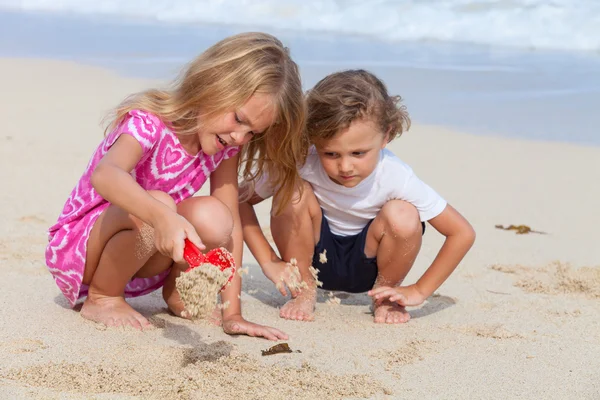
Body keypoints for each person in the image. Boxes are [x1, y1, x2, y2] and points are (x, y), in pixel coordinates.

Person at [45, 32, 307, 340]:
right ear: (211, 85)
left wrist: (232, 312)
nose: (239, 137)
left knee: (216, 215)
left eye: (252, 133)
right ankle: (103, 296)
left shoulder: (225, 147)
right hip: (82, 249)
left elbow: (231, 226)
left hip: (143, 251)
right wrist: (162, 216)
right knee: (159, 203)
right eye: (238, 119)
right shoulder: (148, 123)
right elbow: (106, 174)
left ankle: (179, 293)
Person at [239, 69, 475, 324]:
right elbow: (239, 201)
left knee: (403, 214)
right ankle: (304, 291)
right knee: (293, 193)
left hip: (371, 269)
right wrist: (269, 260)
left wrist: (419, 290)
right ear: (313, 139)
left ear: (387, 135)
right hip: (310, 262)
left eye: (358, 153)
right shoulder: (302, 160)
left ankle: (385, 298)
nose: (345, 167)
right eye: (331, 154)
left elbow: (462, 233)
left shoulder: (396, 176)